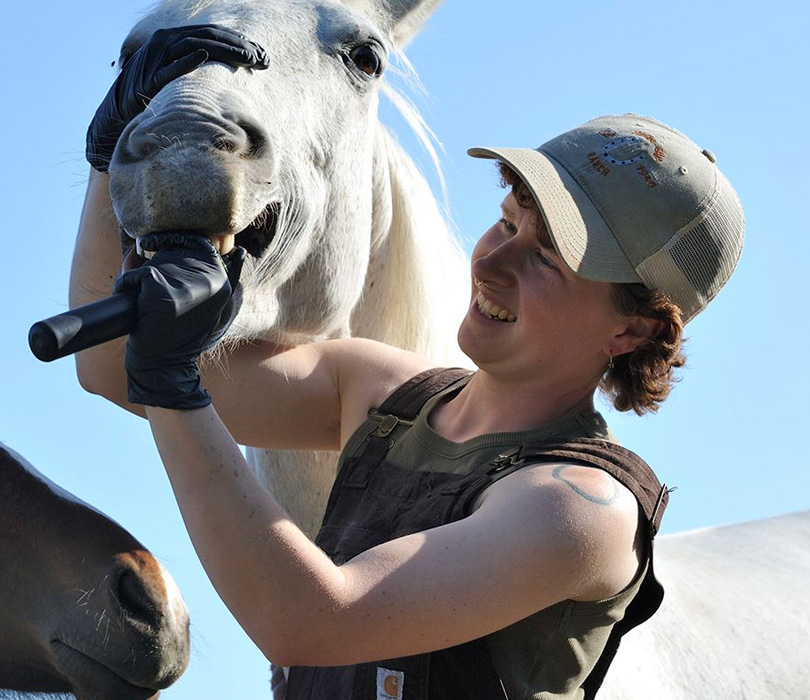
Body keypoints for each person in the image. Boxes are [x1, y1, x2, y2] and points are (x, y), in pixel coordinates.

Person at [69, 26, 745, 700]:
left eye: (545, 259)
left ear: (638, 328)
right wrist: (116, 149)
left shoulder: (583, 510)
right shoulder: (375, 390)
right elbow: (105, 365)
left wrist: (172, 376)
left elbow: (306, 619)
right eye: (509, 222)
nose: (490, 262)